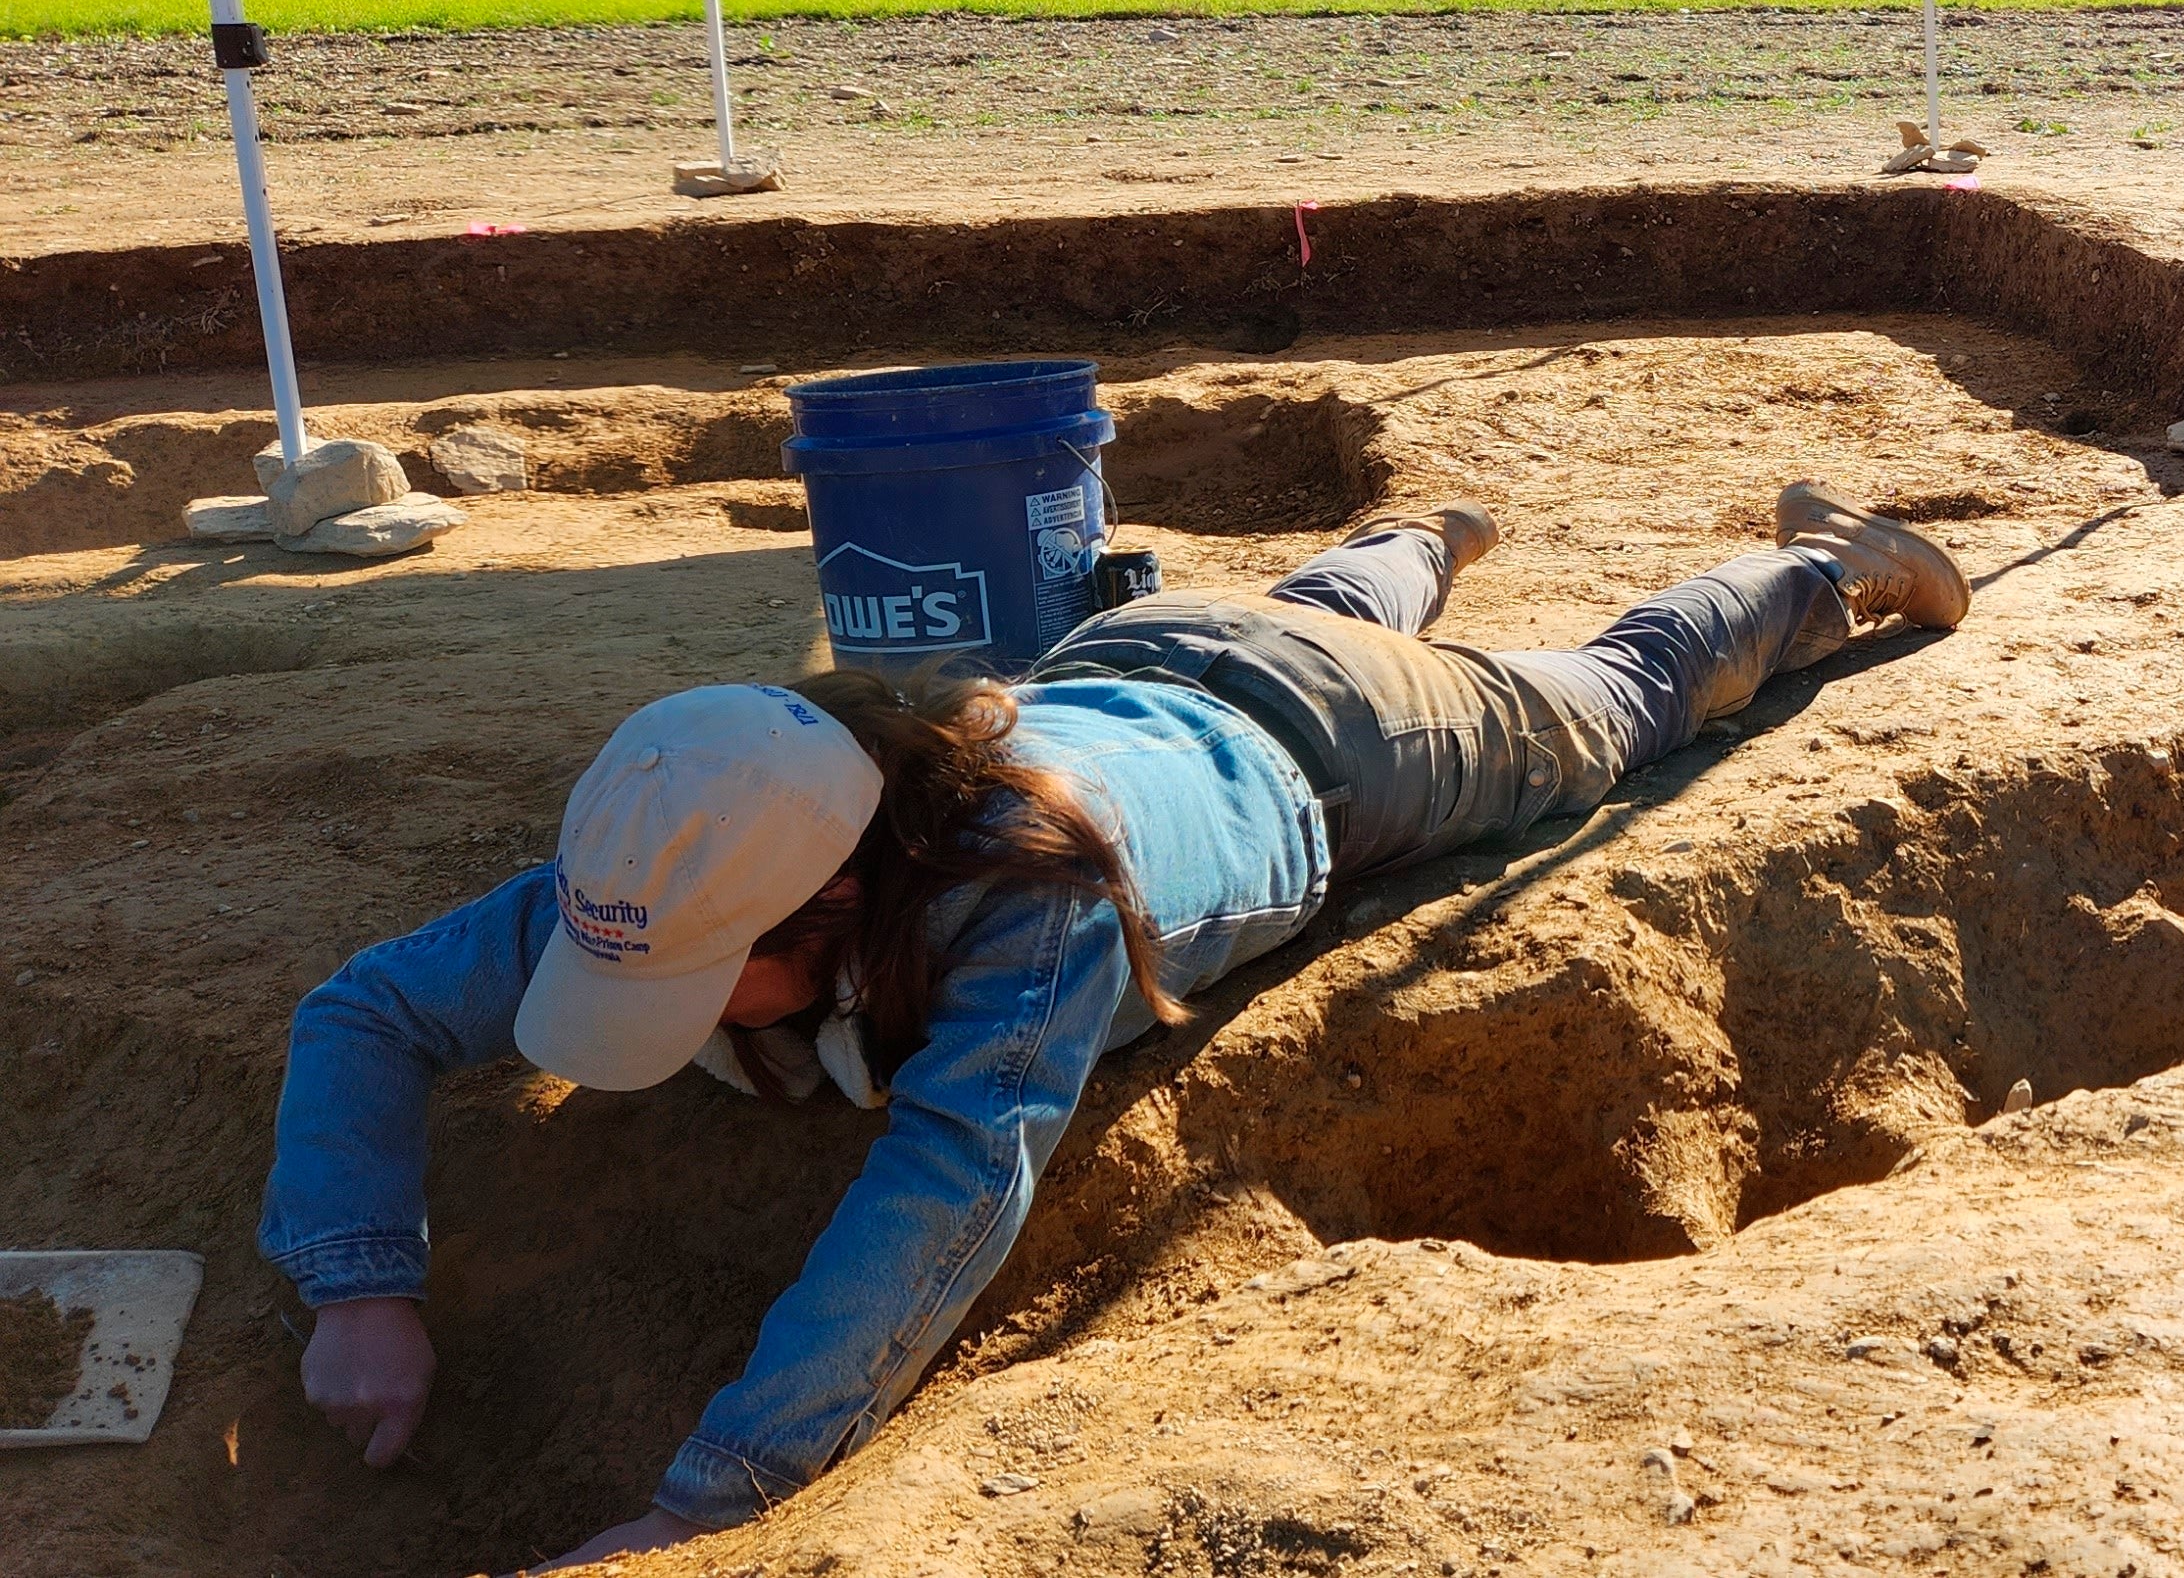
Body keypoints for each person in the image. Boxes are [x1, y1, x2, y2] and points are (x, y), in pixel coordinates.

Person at [264, 485, 1967, 1569]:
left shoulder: (1036, 908)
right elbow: (367, 1009)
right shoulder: (672, 856)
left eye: (701, 988)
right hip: (1136, 655)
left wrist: (711, 1498)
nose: (662, 1010)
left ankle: (1825, 559)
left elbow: (950, 1183)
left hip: (1345, 750)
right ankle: (1417, 533)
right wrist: (359, 1280)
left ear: (834, 908)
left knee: (1620, 703)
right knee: (1310, 606)